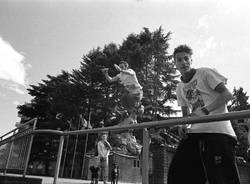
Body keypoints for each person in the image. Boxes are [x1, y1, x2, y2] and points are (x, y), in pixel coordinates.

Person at [167, 44, 241, 184]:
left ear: (191, 60)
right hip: (195, 132)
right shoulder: (179, 87)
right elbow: (185, 115)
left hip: (218, 130)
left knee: (220, 177)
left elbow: (227, 95)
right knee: (178, 172)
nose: (183, 62)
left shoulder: (205, 73)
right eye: (179, 60)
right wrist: (183, 126)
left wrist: (205, 111)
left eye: (186, 59)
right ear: (175, 63)